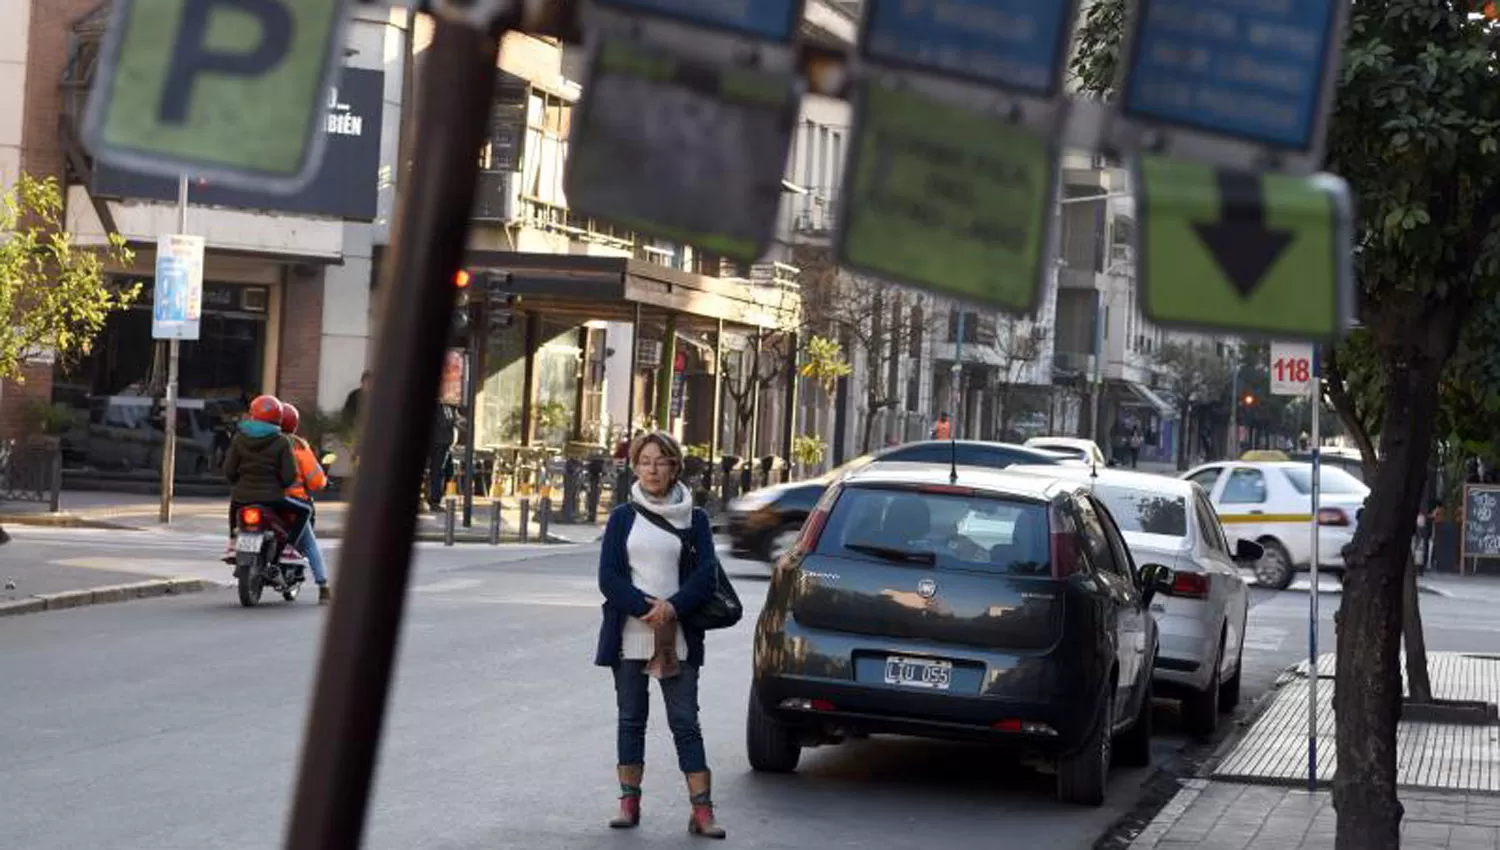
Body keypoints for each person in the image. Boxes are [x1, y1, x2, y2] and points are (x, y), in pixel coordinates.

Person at [595, 431, 725, 838]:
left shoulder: (696, 519)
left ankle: (702, 811)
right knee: (631, 720)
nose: (652, 469)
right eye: (645, 461)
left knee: (685, 721)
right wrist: (644, 607)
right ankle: (628, 802)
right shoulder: (622, 518)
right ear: (635, 466)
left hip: (679, 633)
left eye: (661, 461)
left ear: (674, 467)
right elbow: (609, 578)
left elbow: (706, 576)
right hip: (629, 633)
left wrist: (672, 607)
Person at [222, 395, 309, 562]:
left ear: (252, 414)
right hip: (273, 498)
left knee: (235, 504)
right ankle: (289, 549)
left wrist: (237, 484)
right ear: (278, 417)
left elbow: (228, 470)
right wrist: (282, 486)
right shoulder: (282, 441)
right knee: (305, 511)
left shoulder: (239, 438)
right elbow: (290, 474)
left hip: (243, 496)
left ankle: (232, 544)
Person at [280, 403, 332, 605]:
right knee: (309, 544)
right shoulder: (299, 447)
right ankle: (324, 587)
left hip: (264, 499)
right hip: (294, 502)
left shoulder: (264, 443)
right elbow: (317, 481)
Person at [427, 401, 464, 512]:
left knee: (447, 471)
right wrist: (456, 420)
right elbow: (446, 421)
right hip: (439, 443)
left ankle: (439, 496)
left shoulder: (448, 406)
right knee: (438, 471)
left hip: (443, 443)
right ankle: (434, 499)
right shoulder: (443, 406)